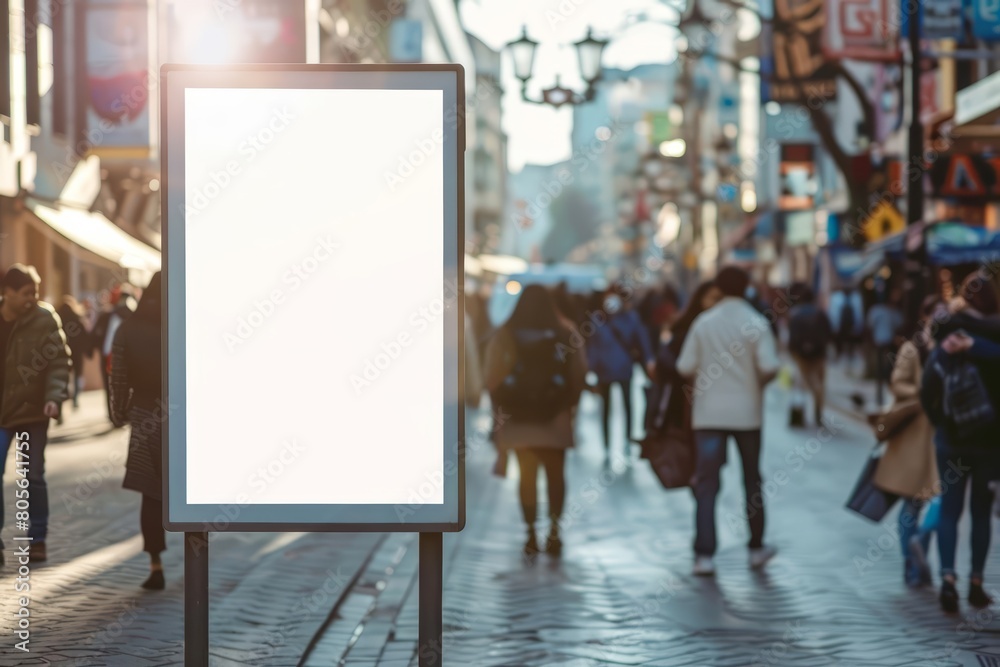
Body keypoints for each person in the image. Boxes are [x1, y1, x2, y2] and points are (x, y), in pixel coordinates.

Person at [676, 266, 781, 576]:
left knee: (707, 483)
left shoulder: (704, 323)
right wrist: (757, 382)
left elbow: (685, 366)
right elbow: (770, 365)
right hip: (747, 414)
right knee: (752, 480)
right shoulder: (756, 322)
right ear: (747, 286)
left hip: (708, 414)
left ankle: (704, 554)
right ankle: (756, 547)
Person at [484, 285, 587, 558]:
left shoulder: (506, 332)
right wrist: (568, 406)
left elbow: (491, 376)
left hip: (519, 421)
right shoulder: (566, 332)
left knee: (526, 477)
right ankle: (554, 532)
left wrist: (501, 410)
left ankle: (530, 533)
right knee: (556, 477)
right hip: (555, 419)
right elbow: (579, 375)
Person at [920, 274, 1000, 613]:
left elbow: (927, 391)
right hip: (991, 444)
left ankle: (948, 580)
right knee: (981, 513)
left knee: (950, 510)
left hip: (951, 442)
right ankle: (977, 584)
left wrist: (942, 425)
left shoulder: (948, 338)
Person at [0, 264, 71, 564]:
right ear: (8, 293)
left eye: (36, 293)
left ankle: (37, 538)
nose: (32, 298)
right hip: (1, 415)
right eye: (26, 293)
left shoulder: (44, 319)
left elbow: (58, 362)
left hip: (32, 412)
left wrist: (54, 397)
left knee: (33, 477)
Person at [872, 297, 942, 587]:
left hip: (942, 435)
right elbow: (897, 383)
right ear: (924, 317)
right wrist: (924, 392)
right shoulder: (913, 348)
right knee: (914, 503)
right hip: (917, 434)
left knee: (940, 500)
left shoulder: (953, 346)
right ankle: (912, 564)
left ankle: (919, 545)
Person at [109, 272, 167, 590]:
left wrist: (119, 413)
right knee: (188, 495)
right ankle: (196, 556)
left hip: (145, 416)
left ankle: (156, 564)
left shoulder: (127, 329)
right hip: (180, 418)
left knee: (151, 493)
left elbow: (119, 378)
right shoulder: (182, 323)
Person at [585, 287, 655, 460]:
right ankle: (607, 444)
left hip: (624, 368)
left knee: (627, 406)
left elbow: (642, 340)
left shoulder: (630, 318)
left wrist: (649, 360)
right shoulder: (598, 320)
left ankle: (627, 441)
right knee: (606, 407)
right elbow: (592, 346)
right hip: (604, 370)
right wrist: (590, 368)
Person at [787, 284, 833, 427]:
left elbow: (791, 337)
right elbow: (829, 333)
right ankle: (818, 413)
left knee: (801, 383)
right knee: (818, 384)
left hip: (800, 354)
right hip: (818, 354)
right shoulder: (820, 313)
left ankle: (798, 415)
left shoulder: (795, 313)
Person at [90, 285, 135, 423]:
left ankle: (120, 413)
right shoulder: (109, 315)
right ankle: (114, 415)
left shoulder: (131, 315)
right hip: (109, 356)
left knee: (119, 386)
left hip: (122, 357)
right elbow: (96, 334)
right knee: (111, 385)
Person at [867, 288, 904, 407]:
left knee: (885, 371)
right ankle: (883, 396)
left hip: (884, 343)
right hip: (885, 343)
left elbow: (870, 325)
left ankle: (883, 396)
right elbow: (899, 324)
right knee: (885, 370)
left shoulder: (879, 311)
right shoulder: (883, 311)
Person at [56, 296, 88, 410]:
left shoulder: (57, 320)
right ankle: (75, 398)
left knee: (62, 377)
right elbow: (85, 336)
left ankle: (60, 402)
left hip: (61, 353)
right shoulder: (77, 319)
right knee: (77, 375)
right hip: (77, 352)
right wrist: (88, 351)